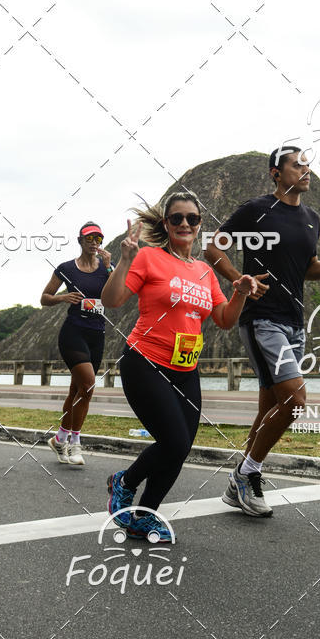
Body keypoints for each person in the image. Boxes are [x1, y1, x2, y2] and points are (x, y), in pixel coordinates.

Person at [205, 147, 320, 517]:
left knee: (270, 409)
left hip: (294, 320)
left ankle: (238, 483)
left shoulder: (311, 218)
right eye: (297, 165)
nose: (306, 170)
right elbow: (213, 246)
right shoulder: (256, 209)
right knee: (295, 402)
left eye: (308, 164)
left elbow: (306, 267)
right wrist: (237, 280)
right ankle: (249, 473)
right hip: (261, 318)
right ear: (277, 173)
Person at [101, 192, 256, 542]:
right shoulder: (149, 258)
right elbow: (112, 301)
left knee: (181, 447)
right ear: (166, 224)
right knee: (173, 442)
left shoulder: (204, 271)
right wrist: (125, 259)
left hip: (185, 369)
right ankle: (124, 482)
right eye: (177, 219)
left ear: (200, 225)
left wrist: (241, 292)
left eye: (192, 219)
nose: (185, 224)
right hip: (145, 361)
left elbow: (224, 319)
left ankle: (143, 515)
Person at [41, 222, 113, 466]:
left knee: (77, 390)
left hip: (97, 333)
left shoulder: (106, 268)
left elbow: (116, 297)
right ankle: (75, 443)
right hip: (73, 332)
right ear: (80, 241)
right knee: (89, 385)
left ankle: (59, 438)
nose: (95, 243)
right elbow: (44, 298)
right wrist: (63, 297)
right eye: (90, 238)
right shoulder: (66, 268)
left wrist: (110, 269)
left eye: (99, 239)